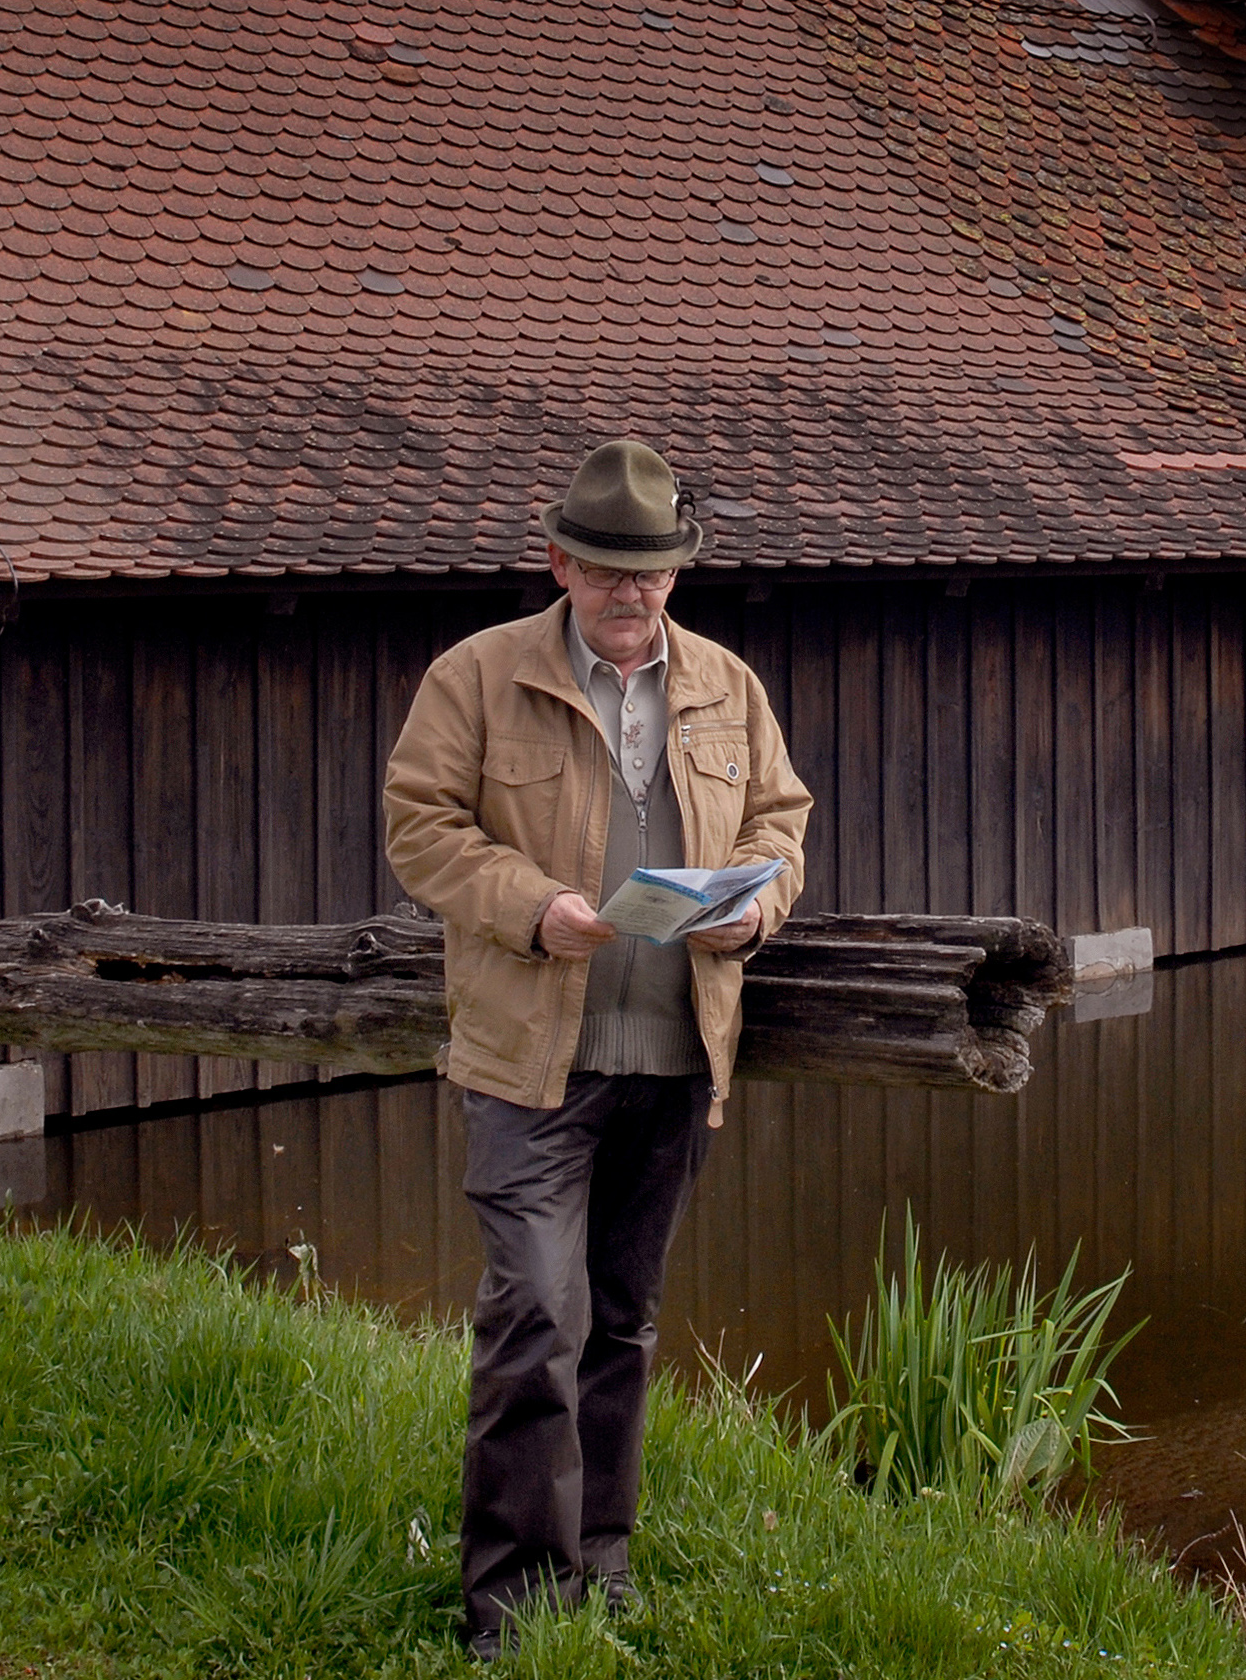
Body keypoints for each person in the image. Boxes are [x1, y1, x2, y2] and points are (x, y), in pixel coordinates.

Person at [384, 438, 811, 1658]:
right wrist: (530, 905)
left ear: (676, 570)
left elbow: (783, 819)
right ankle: (512, 1601)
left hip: (677, 1056)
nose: (634, 593)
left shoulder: (727, 683)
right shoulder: (474, 676)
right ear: (559, 561)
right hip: (532, 1059)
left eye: (655, 570)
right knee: (531, 1311)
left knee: (621, 1315)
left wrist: (759, 902)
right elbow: (418, 826)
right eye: (610, 570)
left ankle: (602, 1563)